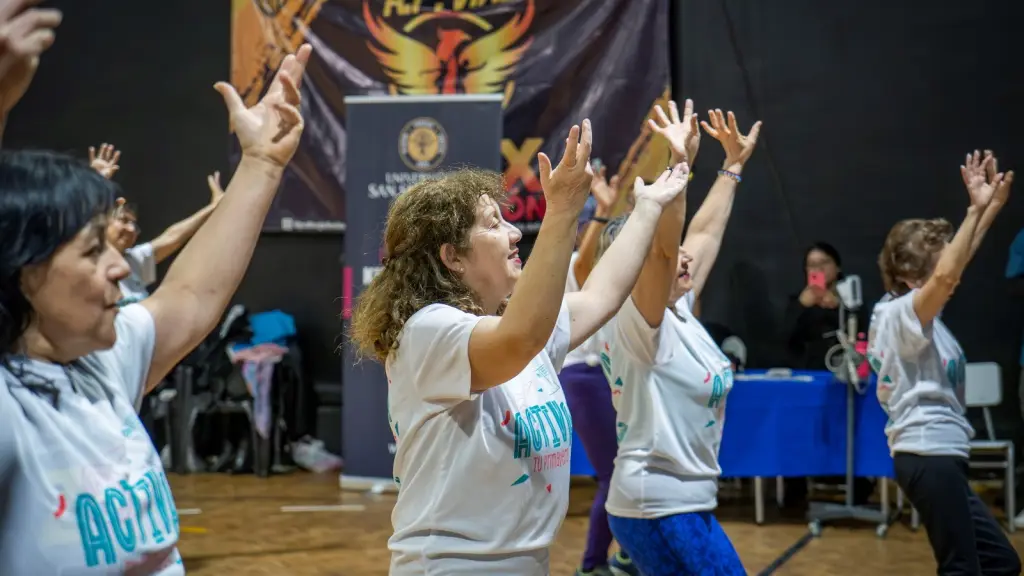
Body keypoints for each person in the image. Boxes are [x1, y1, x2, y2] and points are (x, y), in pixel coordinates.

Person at [0, 37, 312, 574]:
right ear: (26, 271)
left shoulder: (99, 362)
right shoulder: (10, 408)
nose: (120, 266)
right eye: (94, 250)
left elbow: (192, 295)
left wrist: (261, 162)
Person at [349, 120, 691, 575]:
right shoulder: (427, 332)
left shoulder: (508, 327)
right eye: (494, 225)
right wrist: (563, 210)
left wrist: (647, 206)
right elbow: (522, 338)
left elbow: (601, 296)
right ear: (452, 257)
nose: (514, 234)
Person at [600, 102, 760, 576]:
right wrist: (679, 165)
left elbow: (703, 232)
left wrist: (732, 165)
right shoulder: (638, 319)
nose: (684, 260)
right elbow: (666, 248)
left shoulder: (678, 309)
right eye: (668, 258)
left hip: (680, 503)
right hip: (658, 505)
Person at [869, 150, 1018, 575]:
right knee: (962, 570)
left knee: (1001, 563)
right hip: (926, 453)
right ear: (914, 279)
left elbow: (956, 263)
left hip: (940, 455)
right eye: (938, 273)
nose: (950, 274)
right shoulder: (899, 316)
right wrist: (975, 208)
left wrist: (989, 210)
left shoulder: (915, 310)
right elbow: (949, 274)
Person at [561, 166, 639, 576]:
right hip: (583, 376)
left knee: (623, 473)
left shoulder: (620, 274)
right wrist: (605, 210)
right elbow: (582, 267)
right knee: (613, 474)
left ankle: (626, 555)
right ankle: (592, 565)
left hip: (607, 376)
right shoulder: (580, 263)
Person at [781, 241, 874, 507]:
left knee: (851, 425)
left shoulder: (850, 299)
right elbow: (784, 338)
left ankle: (859, 485)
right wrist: (802, 305)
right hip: (808, 376)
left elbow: (862, 335)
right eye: (812, 265)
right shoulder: (798, 300)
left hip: (844, 375)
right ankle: (795, 489)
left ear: (837, 267)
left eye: (823, 264)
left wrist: (839, 309)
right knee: (800, 428)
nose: (818, 269)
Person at [90, 144, 226, 304]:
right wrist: (94, 185)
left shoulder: (132, 261)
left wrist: (213, 208)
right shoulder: (86, 261)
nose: (132, 229)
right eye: (124, 220)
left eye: (134, 225)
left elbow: (173, 237)